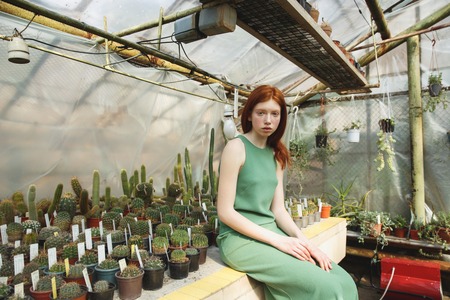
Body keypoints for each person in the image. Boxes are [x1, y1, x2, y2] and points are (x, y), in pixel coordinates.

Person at [216, 85, 358, 299]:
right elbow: (225, 212)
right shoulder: (236, 148)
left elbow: (279, 210)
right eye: (261, 113)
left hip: (273, 233)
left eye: (275, 114)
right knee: (326, 289)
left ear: (281, 118)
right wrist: (278, 241)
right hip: (239, 240)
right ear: (249, 115)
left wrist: (306, 243)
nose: (268, 120)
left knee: (345, 283)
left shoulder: (276, 154)